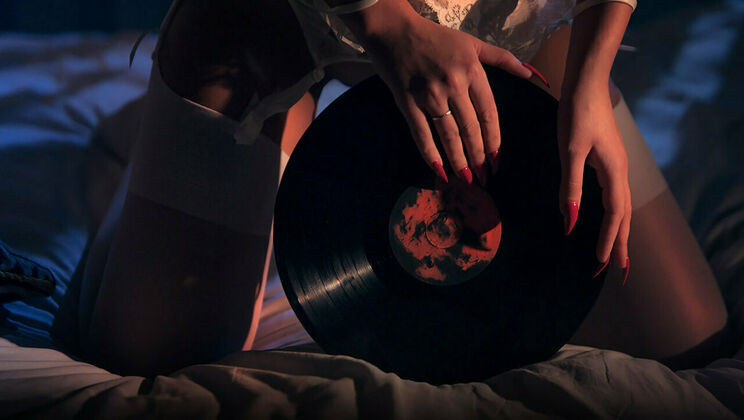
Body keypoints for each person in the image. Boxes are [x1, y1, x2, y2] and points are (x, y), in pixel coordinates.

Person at [61, 0, 728, 376]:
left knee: (686, 343)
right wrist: (385, 24)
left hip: (504, 18)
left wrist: (588, 77)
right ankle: (147, 162)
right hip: (284, 20)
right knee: (149, 364)